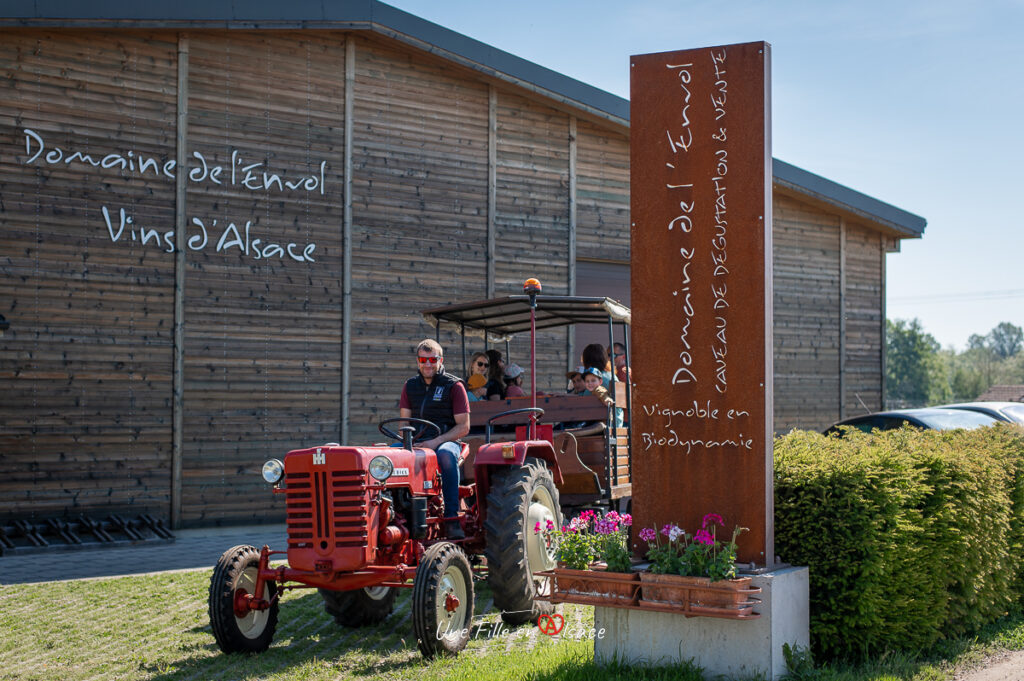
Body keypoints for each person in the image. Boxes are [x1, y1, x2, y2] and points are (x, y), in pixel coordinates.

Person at [399, 339, 470, 539]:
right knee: (385, 457)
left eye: (432, 359)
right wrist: (408, 441)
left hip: (446, 439)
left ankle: (451, 517)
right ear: (418, 361)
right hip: (418, 440)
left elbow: (464, 426)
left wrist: (435, 442)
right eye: (423, 359)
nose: (427, 364)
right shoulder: (410, 386)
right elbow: (404, 423)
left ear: (440, 360)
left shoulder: (453, 386)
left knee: (446, 455)